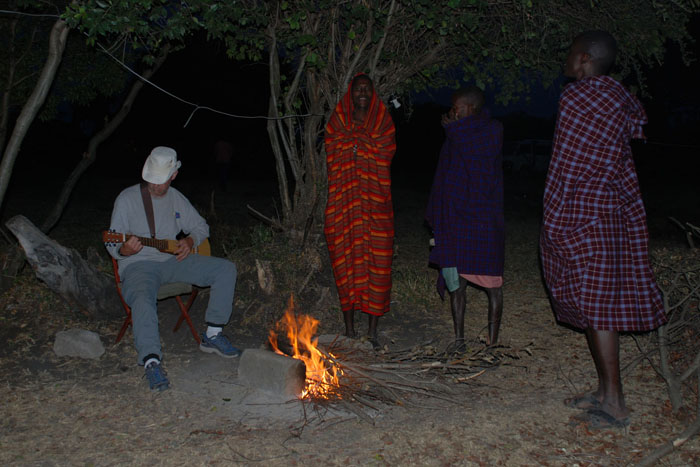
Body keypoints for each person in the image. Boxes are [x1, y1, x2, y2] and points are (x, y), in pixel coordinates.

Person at [540, 31, 666, 429]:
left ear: (582, 60)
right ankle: (602, 390)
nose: (565, 61)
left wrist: (554, 214)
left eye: (568, 55)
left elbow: (568, 164)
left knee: (598, 307)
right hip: (612, 212)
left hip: (585, 212)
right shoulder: (619, 97)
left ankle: (615, 402)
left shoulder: (577, 97)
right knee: (597, 303)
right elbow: (622, 152)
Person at [107, 146, 241, 392]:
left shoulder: (176, 198)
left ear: (173, 176)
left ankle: (212, 334)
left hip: (171, 261)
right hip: (138, 266)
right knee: (142, 297)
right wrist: (123, 250)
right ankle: (151, 361)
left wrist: (190, 241)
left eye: (161, 182)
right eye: (152, 181)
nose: (156, 187)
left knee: (225, 269)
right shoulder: (127, 199)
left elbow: (201, 227)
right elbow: (112, 240)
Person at [425, 86, 504, 351]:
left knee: (493, 285)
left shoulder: (492, 130)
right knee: (456, 285)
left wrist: (454, 131)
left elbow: (479, 166)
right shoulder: (455, 135)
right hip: (453, 220)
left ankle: (492, 343)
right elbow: (446, 174)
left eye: (456, 108)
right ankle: (459, 340)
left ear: (471, 109)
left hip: (482, 219)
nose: (451, 113)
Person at [324, 74, 396, 349]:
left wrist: (360, 145)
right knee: (346, 264)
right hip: (344, 207)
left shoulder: (383, 121)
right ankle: (350, 329)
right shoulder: (338, 121)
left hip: (376, 208)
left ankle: (373, 331)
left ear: (373, 92)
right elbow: (332, 146)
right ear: (351, 93)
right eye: (358, 89)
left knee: (377, 267)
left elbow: (385, 150)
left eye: (367, 89)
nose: (363, 93)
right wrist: (355, 143)